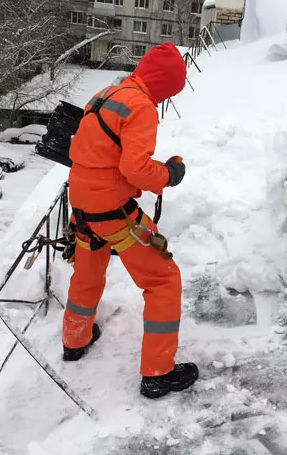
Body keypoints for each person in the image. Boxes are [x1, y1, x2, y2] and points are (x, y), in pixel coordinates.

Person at [61, 42, 198, 399]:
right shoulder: (141, 107)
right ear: (167, 84)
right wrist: (169, 174)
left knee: (88, 273)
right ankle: (158, 372)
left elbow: (98, 152)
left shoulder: (107, 93)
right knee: (164, 279)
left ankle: (75, 340)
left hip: (83, 205)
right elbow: (134, 168)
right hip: (113, 210)